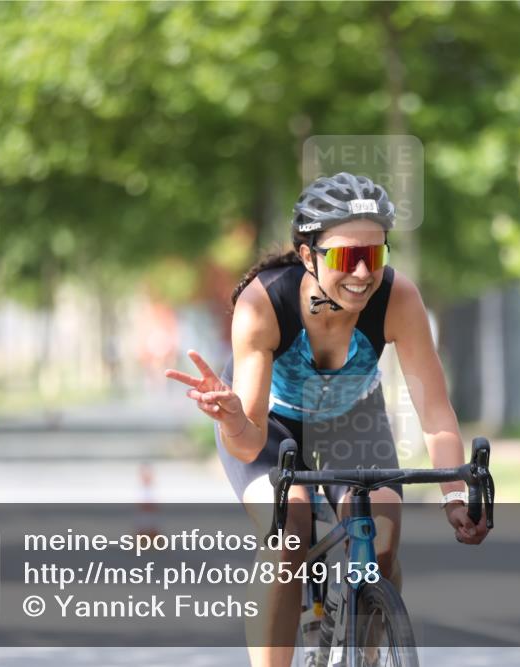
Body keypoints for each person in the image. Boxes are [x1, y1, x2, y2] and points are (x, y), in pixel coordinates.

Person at [165, 172, 489, 667]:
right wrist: (230, 418)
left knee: (381, 539)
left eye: (374, 255)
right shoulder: (262, 303)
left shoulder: (398, 298)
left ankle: (362, 646)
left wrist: (454, 495)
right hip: (267, 425)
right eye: (345, 257)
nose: (362, 273)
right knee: (288, 534)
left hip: (352, 418)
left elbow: (436, 410)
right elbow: (249, 443)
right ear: (306, 254)